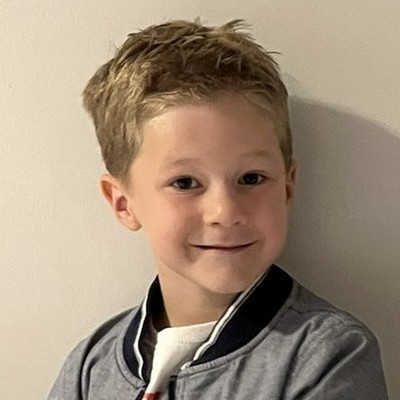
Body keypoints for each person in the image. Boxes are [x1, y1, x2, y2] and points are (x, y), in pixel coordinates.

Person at [48, 19, 388, 399]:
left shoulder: (327, 356)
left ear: (287, 185)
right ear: (123, 203)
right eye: (185, 183)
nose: (225, 212)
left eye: (251, 178)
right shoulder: (89, 368)